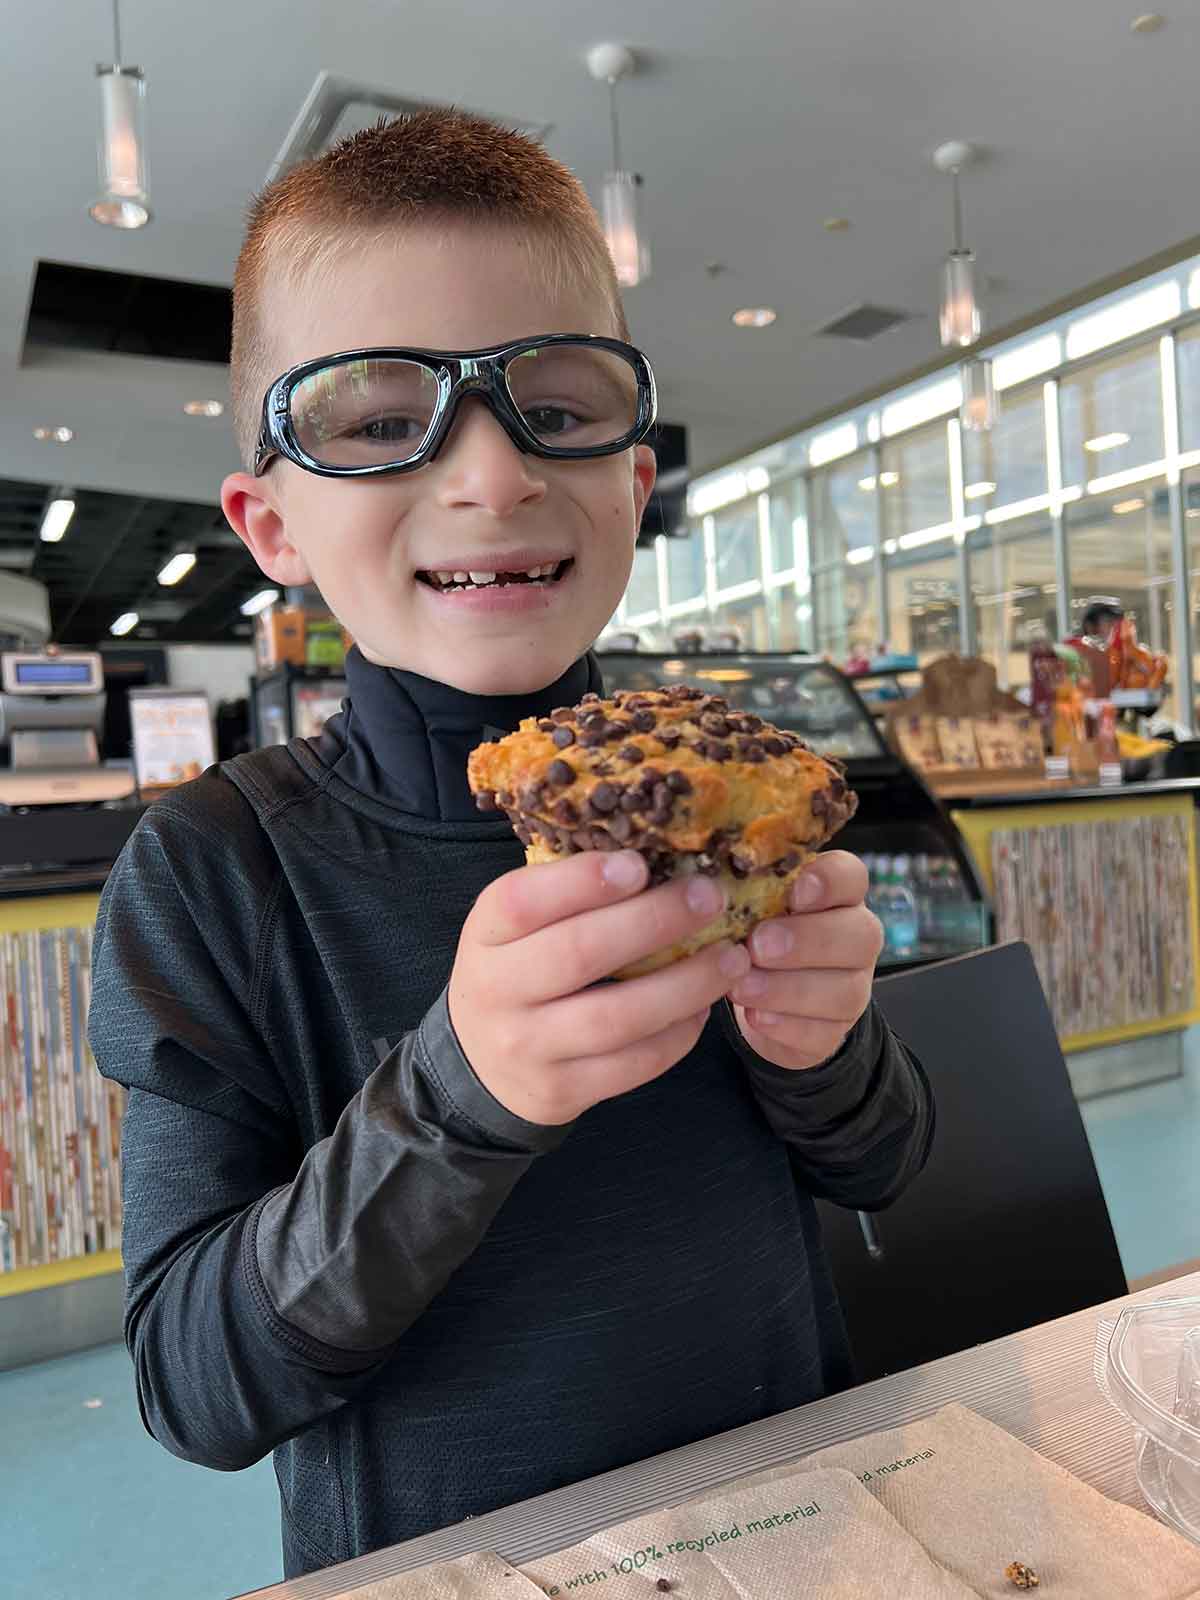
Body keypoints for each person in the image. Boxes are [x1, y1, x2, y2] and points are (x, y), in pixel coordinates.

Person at [88, 110, 933, 1581]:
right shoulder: (216, 870)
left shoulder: (733, 794)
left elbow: (885, 1168)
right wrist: (457, 1099)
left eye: (555, 401)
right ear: (270, 525)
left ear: (633, 483)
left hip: (798, 1528)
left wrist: (829, 1057)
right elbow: (195, 1384)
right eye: (371, 419)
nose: (489, 473)